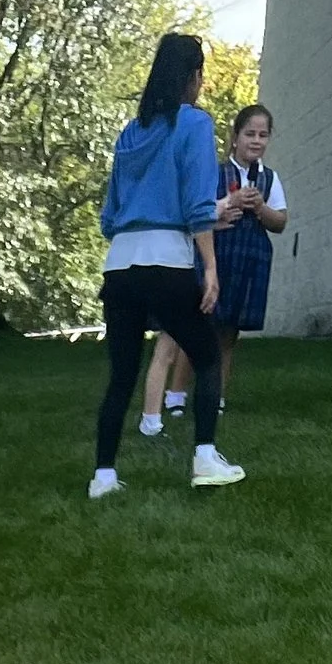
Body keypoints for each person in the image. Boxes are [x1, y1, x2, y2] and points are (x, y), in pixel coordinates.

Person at [89, 34, 241, 500]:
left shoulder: (131, 132)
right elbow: (195, 208)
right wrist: (210, 267)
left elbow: (110, 215)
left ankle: (103, 477)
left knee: (121, 373)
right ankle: (205, 457)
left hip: (120, 266)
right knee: (208, 355)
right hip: (167, 263)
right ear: (193, 76)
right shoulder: (194, 124)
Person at [142, 102, 286, 430]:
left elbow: (280, 221)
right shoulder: (216, 172)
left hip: (249, 257)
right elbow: (199, 210)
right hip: (216, 253)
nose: (256, 140)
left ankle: (215, 396)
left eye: (263, 135)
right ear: (235, 137)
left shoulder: (270, 179)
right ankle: (176, 395)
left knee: (228, 331)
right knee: (196, 326)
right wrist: (227, 207)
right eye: (250, 133)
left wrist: (260, 207)